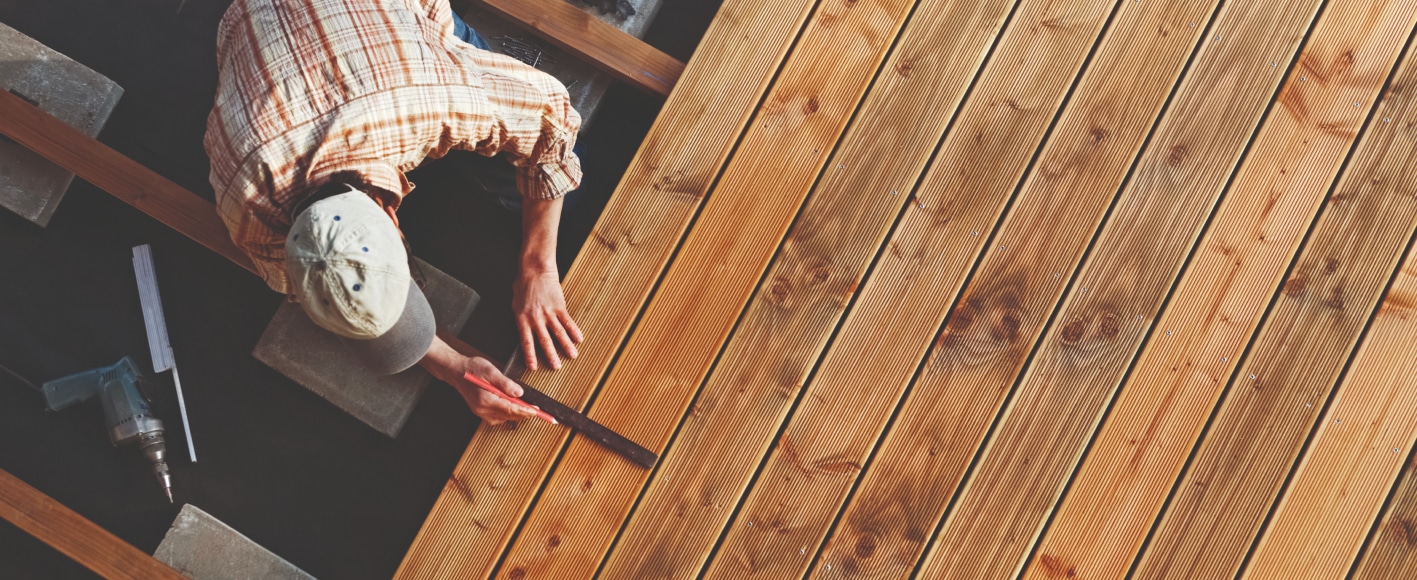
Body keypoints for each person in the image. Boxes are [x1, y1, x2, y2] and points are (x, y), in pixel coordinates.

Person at [205, 0, 584, 425]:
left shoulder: (431, 99)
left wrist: (538, 268)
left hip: (383, 57)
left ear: (391, 216)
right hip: (255, 27)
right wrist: (455, 368)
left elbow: (553, 119)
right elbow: (311, 289)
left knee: (540, 172)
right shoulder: (243, 207)